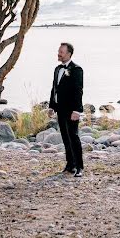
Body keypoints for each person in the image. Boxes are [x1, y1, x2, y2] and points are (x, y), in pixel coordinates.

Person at [49, 42, 84, 177]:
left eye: (61, 52)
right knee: (65, 137)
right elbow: (54, 88)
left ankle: (79, 166)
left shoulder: (76, 69)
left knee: (73, 137)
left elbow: (78, 90)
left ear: (69, 54)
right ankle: (70, 164)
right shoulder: (57, 69)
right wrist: (52, 106)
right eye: (59, 51)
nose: (59, 54)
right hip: (60, 109)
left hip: (71, 110)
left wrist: (77, 110)